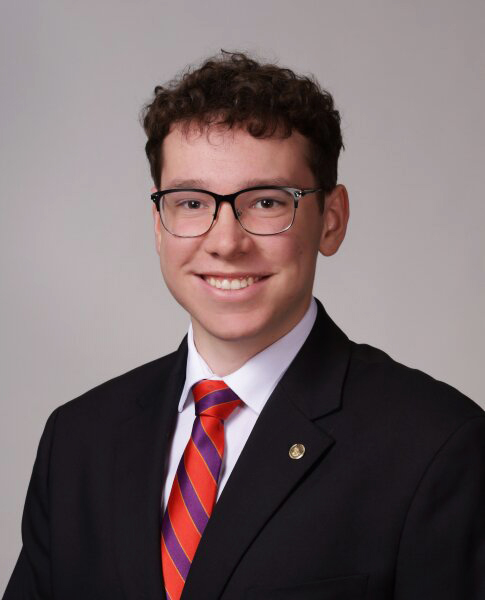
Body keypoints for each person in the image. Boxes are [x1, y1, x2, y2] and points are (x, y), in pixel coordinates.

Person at [4, 51, 484, 600]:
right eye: (190, 202)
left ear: (331, 219)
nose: (226, 242)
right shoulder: (78, 440)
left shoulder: (436, 446)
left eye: (265, 201)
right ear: (159, 227)